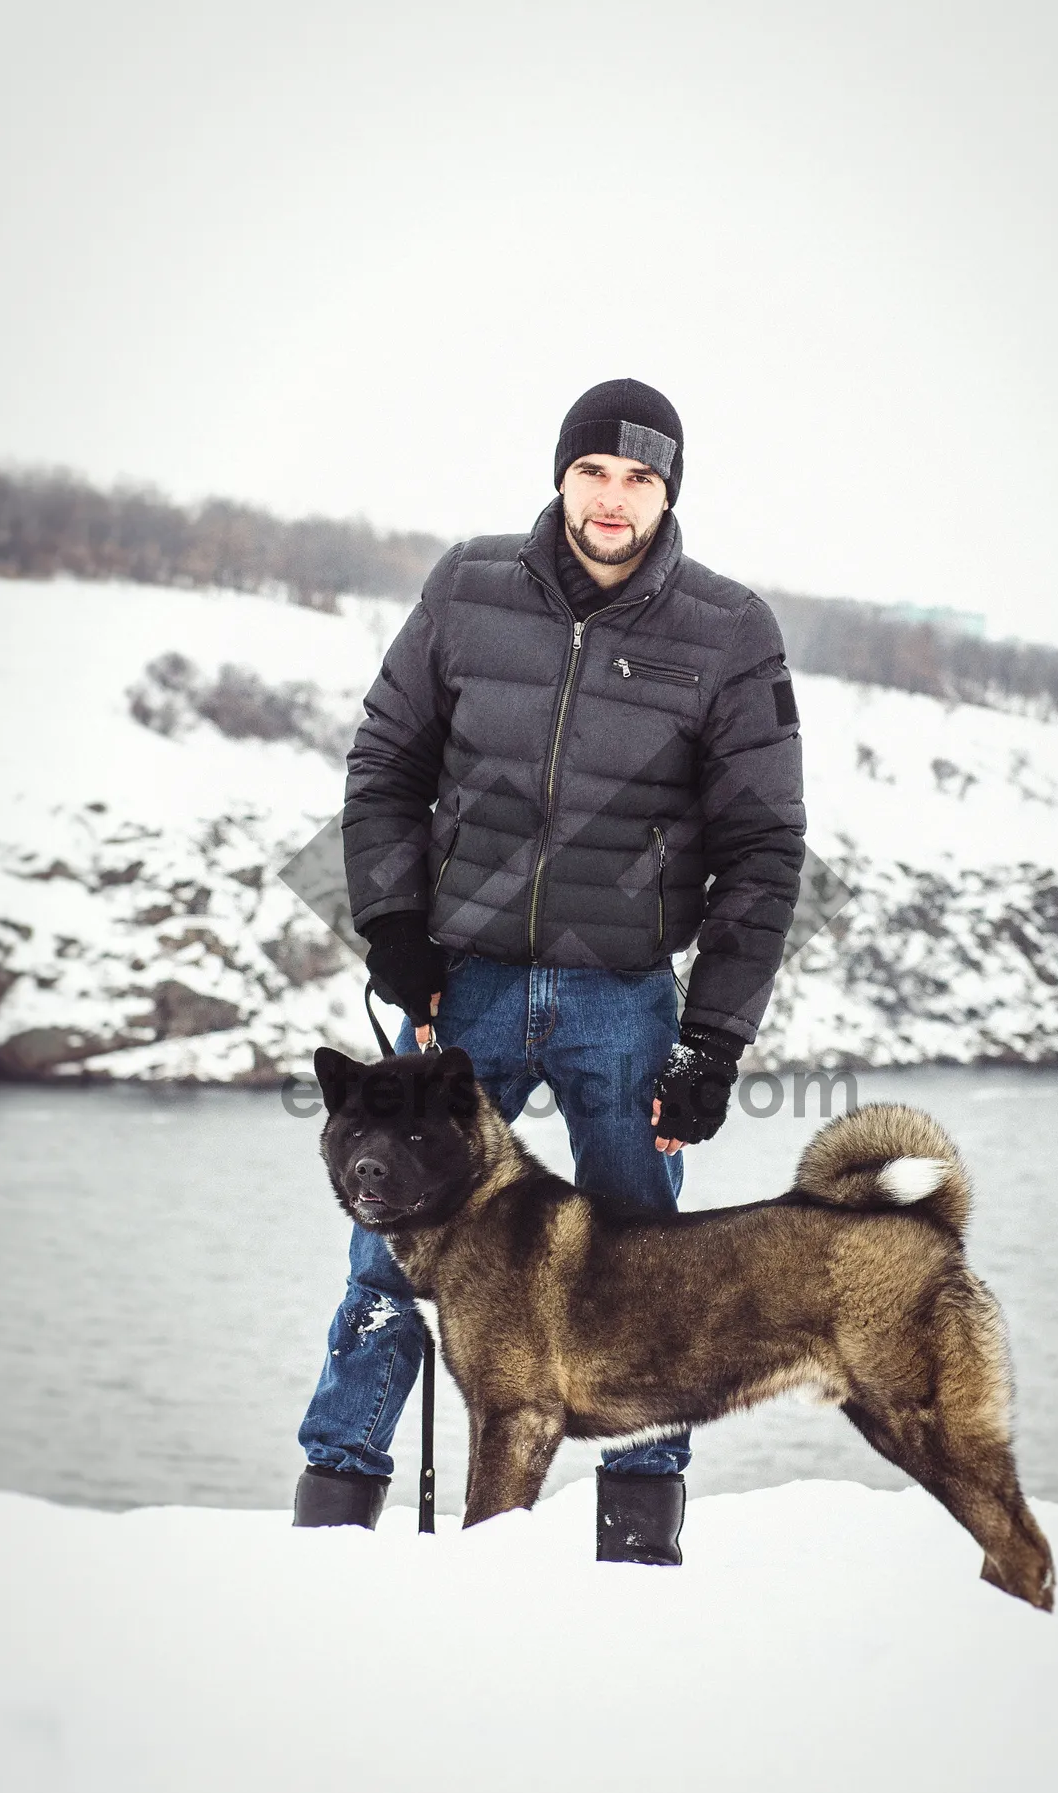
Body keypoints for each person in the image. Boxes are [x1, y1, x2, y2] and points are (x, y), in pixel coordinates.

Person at [294, 378, 806, 1562]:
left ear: (669, 491)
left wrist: (714, 1041)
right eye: (594, 471)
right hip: (458, 987)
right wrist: (395, 923)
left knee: (647, 1276)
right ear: (561, 474)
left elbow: (764, 849)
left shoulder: (731, 632)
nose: (613, 498)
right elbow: (383, 767)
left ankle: (637, 1539)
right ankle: (329, 1519)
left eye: (639, 477)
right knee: (387, 1257)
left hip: (624, 1001)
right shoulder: (467, 589)